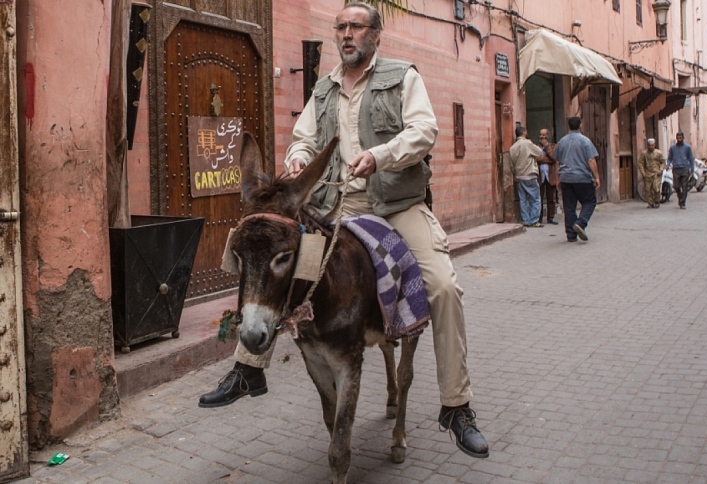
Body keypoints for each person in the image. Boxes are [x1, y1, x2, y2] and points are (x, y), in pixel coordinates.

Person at [199, 2, 490, 459]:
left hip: (396, 206)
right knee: (271, 257)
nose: (347, 34)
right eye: (341, 27)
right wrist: (297, 156)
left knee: (442, 287)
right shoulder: (323, 90)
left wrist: (380, 156)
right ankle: (248, 369)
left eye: (356, 26)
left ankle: (457, 406)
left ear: (376, 35)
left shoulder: (403, 76)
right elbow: (303, 138)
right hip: (337, 207)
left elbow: (425, 131)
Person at [553, 116, 600, 242]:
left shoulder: (561, 142)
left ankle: (571, 235)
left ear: (569, 126)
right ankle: (581, 222)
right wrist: (596, 177)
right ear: (580, 125)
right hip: (582, 177)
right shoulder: (585, 141)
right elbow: (591, 160)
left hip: (566, 178)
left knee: (569, 206)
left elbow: (557, 161)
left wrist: (558, 178)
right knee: (590, 201)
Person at [509, 125, 544, 227]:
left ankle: (525, 220)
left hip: (519, 175)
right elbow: (539, 152)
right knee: (535, 198)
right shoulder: (527, 143)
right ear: (524, 132)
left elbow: (511, 164)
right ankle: (534, 220)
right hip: (529, 174)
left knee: (523, 199)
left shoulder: (512, 147)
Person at [536, 128, 559, 224]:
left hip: (550, 176)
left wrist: (546, 147)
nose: (542, 137)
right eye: (541, 135)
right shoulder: (536, 147)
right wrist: (547, 160)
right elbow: (536, 159)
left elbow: (554, 158)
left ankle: (551, 217)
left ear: (548, 136)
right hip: (540, 176)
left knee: (551, 198)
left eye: (544, 135)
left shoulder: (553, 146)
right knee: (539, 198)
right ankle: (539, 218)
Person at [666, 132, 694, 209]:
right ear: (676, 138)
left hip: (685, 168)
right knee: (676, 186)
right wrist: (668, 165)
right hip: (676, 169)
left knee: (684, 186)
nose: (679, 139)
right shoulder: (672, 148)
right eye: (678, 138)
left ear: (683, 138)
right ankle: (680, 196)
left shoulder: (687, 147)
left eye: (680, 138)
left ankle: (683, 202)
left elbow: (691, 158)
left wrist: (692, 169)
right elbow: (669, 158)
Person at [638, 138, 665, 208]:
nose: (651, 147)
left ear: (655, 145)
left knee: (656, 188)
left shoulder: (658, 153)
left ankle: (657, 201)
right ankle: (650, 203)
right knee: (648, 189)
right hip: (647, 173)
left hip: (656, 173)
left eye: (652, 145)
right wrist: (642, 172)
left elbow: (663, 162)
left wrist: (661, 170)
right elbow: (640, 163)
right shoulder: (644, 153)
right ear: (647, 145)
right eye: (650, 145)